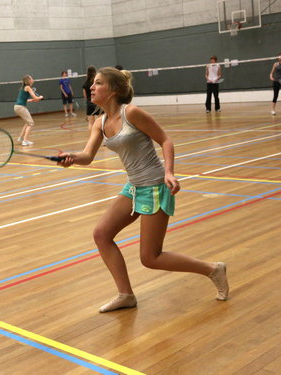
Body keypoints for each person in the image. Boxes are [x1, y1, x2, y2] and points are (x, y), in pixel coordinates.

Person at [58, 67, 229, 312]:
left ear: (114, 90)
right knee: (101, 235)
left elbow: (165, 140)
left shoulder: (132, 113)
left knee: (151, 258)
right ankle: (125, 295)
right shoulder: (99, 122)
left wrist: (169, 172)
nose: (91, 87)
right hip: (134, 186)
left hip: (155, 185)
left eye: (97, 83)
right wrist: (70, 157)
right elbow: (87, 156)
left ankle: (213, 269)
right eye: (92, 84)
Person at [14, 75, 43, 146]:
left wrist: (33, 100)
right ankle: (25, 141)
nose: (33, 79)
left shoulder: (23, 88)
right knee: (31, 123)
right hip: (21, 107)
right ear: (29, 80)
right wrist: (40, 97)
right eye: (31, 78)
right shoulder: (28, 87)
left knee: (27, 122)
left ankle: (21, 138)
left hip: (17, 107)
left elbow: (25, 99)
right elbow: (35, 97)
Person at [82, 65, 100, 130]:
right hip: (97, 103)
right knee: (99, 121)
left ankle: (91, 137)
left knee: (90, 123)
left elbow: (85, 96)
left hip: (89, 102)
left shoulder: (85, 83)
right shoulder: (97, 82)